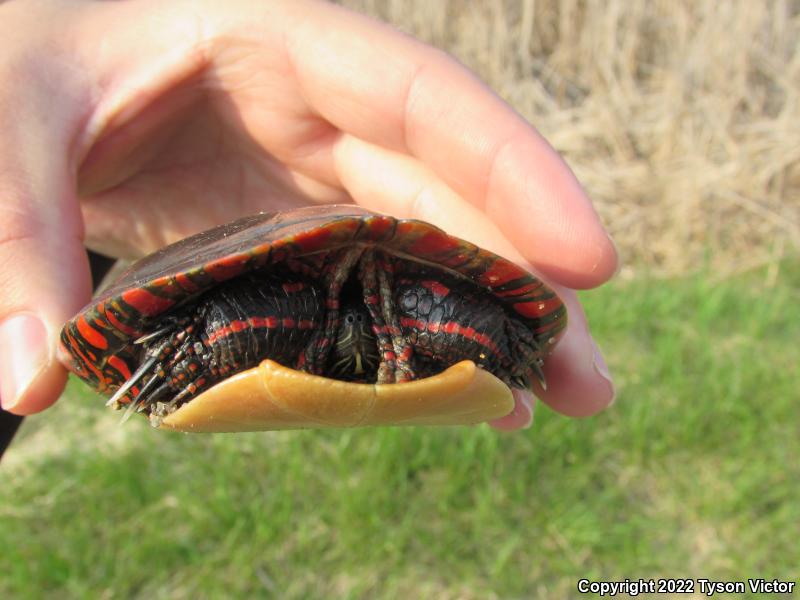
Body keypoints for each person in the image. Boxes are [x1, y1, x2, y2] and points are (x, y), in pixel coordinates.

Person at [0, 0, 616, 431]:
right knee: (267, 312)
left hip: (390, 304)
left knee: (438, 314)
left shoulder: (392, 306)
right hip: (215, 320)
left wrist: (503, 343)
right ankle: (181, 353)